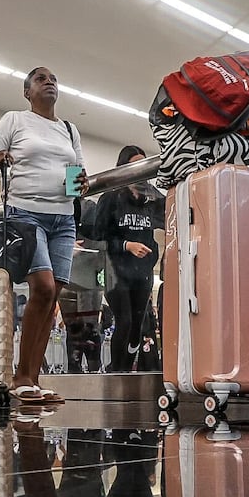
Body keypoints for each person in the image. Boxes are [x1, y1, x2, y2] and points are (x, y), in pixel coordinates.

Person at [0, 66, 88, 404]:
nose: (49, 81)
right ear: (28, 92)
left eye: (53, 78)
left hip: (64, 219)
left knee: (53, 297)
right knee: (42, 287)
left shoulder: (70, 129)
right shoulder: (14, 120)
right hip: (26, 214)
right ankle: (20, 376)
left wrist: (83, 182)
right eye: (40, 79)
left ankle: (33, 380)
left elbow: (79, 172)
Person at [96, 145, 163, 372]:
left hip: (142, 273)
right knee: (124, 322)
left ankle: (126, 366)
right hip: (116, 272)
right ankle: (118, 370)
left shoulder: (152, 198)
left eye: (143, 166)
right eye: (135, 165)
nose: (140, 171)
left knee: (137, 327)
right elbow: (99, 237)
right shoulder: (111, 199)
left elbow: (174, 215)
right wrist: (127, 245)